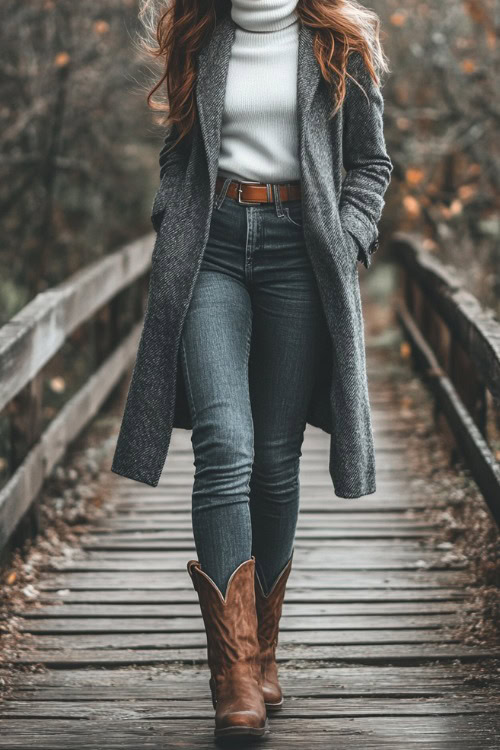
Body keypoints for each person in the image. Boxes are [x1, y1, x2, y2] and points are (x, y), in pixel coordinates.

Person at [111, 0, 393, 739]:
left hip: (303, 253)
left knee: (274, 457)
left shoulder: (341, 41)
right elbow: (181, 149)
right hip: (213, 250)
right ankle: (233, 670)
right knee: (223, 444)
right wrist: (171, 215)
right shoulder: (200, 32)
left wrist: (351, 239)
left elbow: (371, 162)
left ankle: (264, 648)